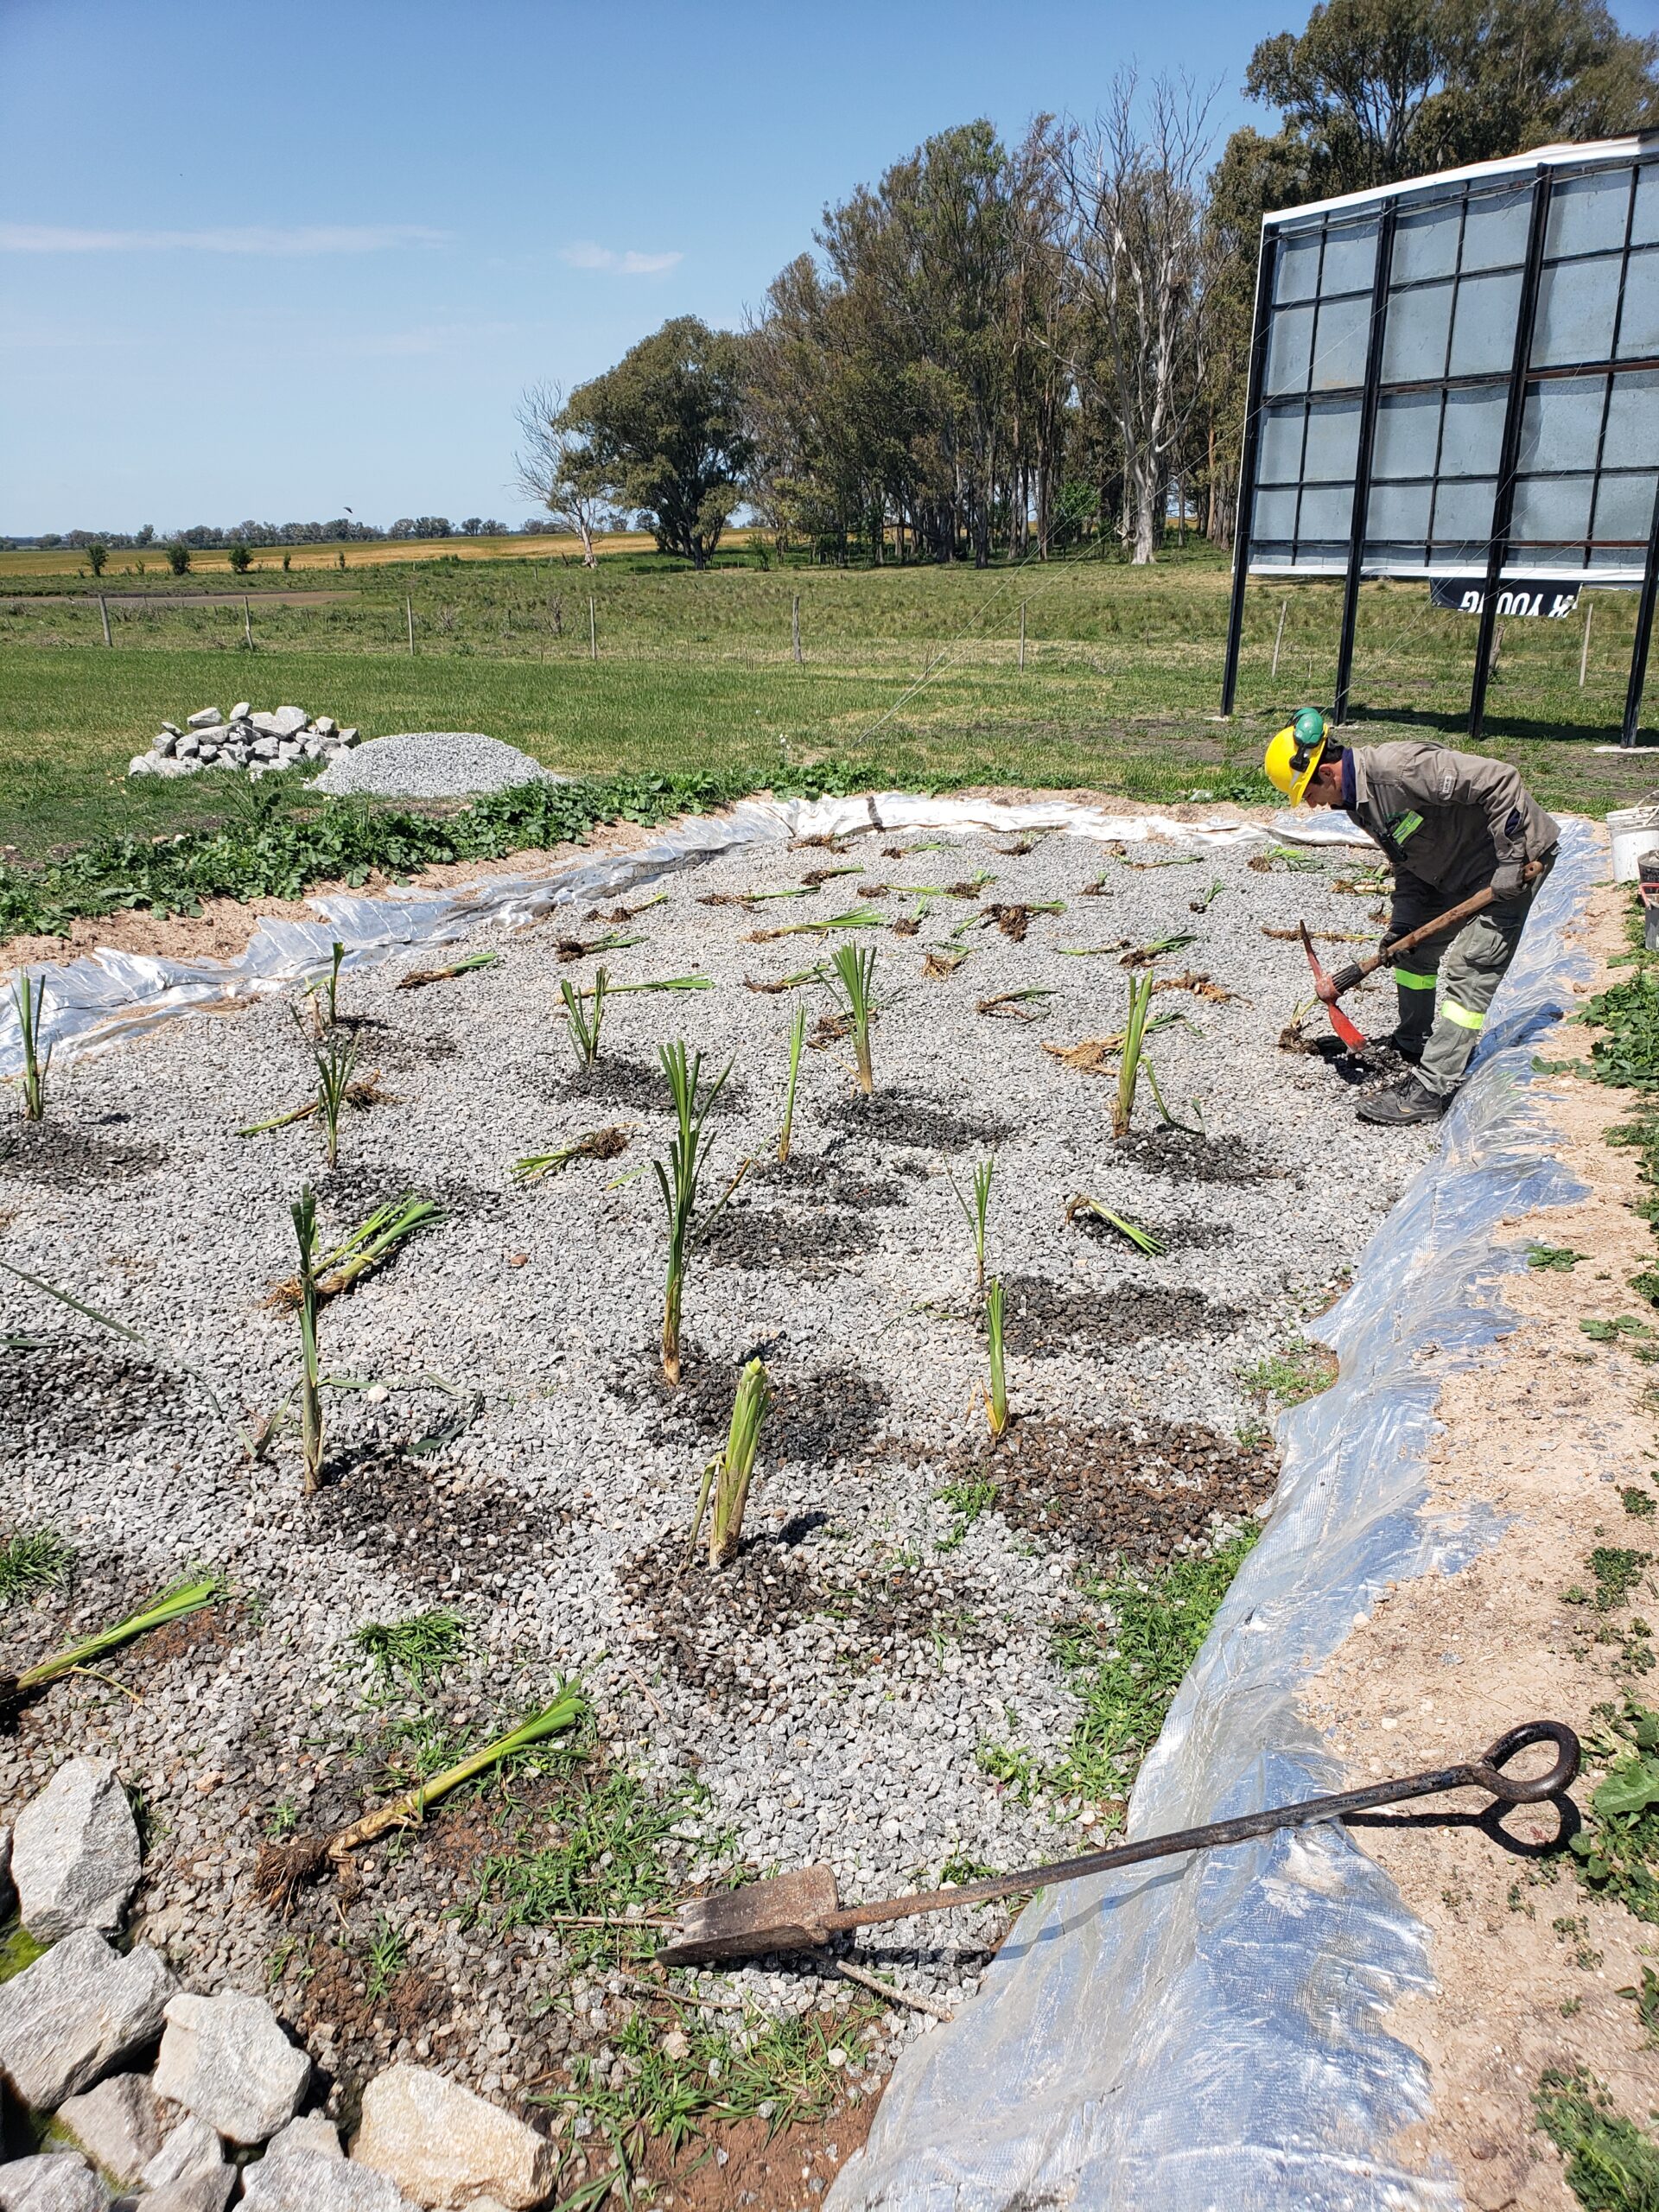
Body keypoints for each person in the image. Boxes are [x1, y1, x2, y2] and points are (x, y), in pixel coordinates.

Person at [1262, 709, 1559, 1127]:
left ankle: (1432, 1089)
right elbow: (1408, 862)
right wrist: (1403, 926)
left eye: (1307, 794)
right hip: (1455, 870)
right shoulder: (1359, 804)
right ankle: (1413, 1043)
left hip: (1511, 866)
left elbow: (1501, 778)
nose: (1309, 805)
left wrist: (1512, 859)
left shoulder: (1401, 769)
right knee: (1414, 957)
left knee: (1471, 966)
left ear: (1325, 772)